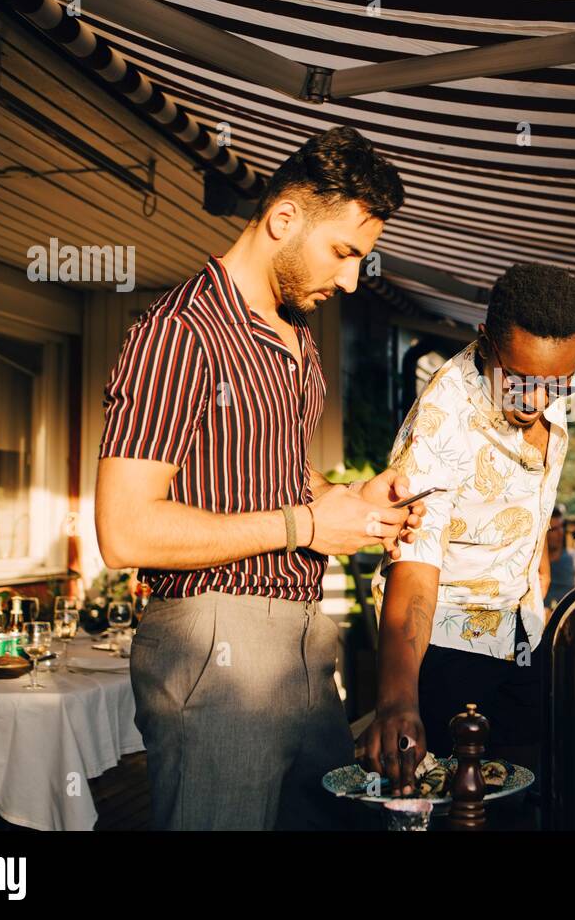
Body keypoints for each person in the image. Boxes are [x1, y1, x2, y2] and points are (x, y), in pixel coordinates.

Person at [94, 126, 427, 830]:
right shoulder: (180, 331)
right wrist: (306, 525)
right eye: (343, 253)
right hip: (215, 647)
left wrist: (350, 503)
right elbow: (124, 530)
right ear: (282, 219)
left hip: (306, 648)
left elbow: (275, 476)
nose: (348, 280)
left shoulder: (294, 337)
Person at [361, 263, 575, 793]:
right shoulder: (445, 417)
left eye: (557, 383)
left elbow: (533, 521)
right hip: (446, 651)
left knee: (530, 795)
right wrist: (397, 700)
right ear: (485, 341)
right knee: (452, 805)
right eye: (521, 382)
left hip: (523, 636)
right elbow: (414, 562)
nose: (536, 402)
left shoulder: (546, 390)